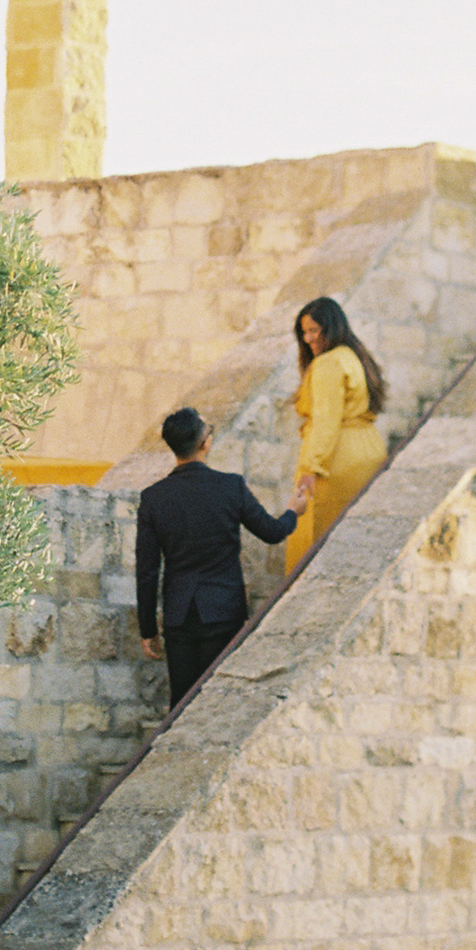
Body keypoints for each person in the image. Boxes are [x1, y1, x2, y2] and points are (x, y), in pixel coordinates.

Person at [136, 408, 309, 708]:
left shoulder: (154, 497)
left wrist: (148, 628)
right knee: (220, 702)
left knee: (182, 703)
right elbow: (272, 532)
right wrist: (294, 511)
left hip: (179, 616)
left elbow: (147, 571)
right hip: (223, 610)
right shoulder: (231, 487)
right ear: (205, 443)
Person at [287, 297, 389, 573]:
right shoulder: (354, 357)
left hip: (336, 462)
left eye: (314, 330)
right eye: (304, 332)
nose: (308, 339)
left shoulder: (328, 364)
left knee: (319, 546)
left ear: (331, 328)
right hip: (367, 452)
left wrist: (311, 466)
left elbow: (326, 419)